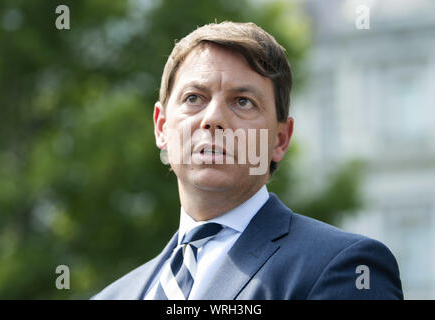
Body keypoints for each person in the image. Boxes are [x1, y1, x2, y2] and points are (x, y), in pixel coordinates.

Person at [92, 21, 403, 300]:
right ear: (161, 127)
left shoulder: (347, 268)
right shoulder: (112, 296)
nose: (213, 118)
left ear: (280, 140)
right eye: (193, 98)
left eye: (243, 102)